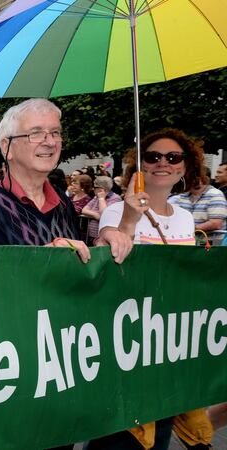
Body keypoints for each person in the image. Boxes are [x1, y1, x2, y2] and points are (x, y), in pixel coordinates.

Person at [93, 128, 211, 449]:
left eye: (173, 157)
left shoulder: (186, 219)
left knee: (159, 432)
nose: (163, 163)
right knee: (119, 435)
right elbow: (109, 257)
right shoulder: (117, 210)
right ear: (140, 166)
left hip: (169, 341)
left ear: (185, 168)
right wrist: (130, 218)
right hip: (127, 340)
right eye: (153, 156)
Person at [0, 98, 132, 265]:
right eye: (36, 133)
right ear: (7, 146)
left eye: (55, 133)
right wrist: (43, 258)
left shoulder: (63, 203)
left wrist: (99, 247)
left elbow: (78, 265)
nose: (50, 142)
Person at [168, 168, 227, 235]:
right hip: (187, 239)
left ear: (206, 179)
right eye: (191, 177)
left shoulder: (215, 195)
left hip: (209, 242)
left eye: (198, 177)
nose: (195, 180)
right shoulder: (181, 196)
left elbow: (216, 223)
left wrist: (189, 229)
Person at [80, 176, 120, 245]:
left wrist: (101, 199)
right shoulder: (96, 197)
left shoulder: (115, 198)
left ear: (101, 189)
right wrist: (95, 215)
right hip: (91, 234)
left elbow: (104, 214)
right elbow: (84, 210)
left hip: (103, 236)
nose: (93, 189)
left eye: (95, 187)